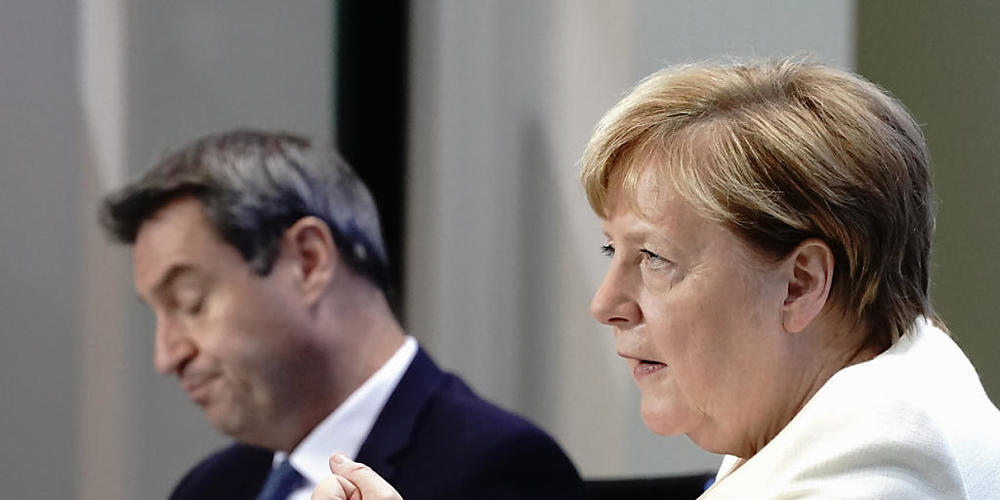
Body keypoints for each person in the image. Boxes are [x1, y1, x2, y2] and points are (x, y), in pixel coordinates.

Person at [314, 58, 1000, 499]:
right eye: (612, 250)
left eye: (654, 259)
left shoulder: (879, 473)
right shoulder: (846, 414)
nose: (606, 303)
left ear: (799, 285)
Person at [99, 129, 584, 500]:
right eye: (157, 315)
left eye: (190, 302)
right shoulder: (210, 488)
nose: (167, 355)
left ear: (309, 262)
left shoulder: (501, 468)